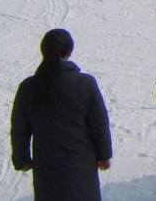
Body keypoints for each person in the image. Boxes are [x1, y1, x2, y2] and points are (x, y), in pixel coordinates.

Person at [10, 29, 113, 201]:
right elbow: (99, 124)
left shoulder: (28, 87)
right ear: (69, 52)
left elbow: (19, 129)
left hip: (47, 172)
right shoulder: (85, 83)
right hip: (82, 169)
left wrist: (21, 159)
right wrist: (104, 156)